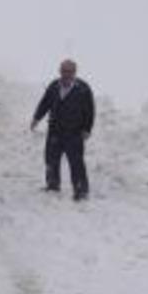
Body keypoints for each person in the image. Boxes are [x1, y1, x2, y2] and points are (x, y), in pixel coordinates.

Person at [30, 59, 96, 201]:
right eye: (63, 71)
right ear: (60, 71)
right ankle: (52, 184)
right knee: (51, 159)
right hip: (55, 130)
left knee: (76, 162)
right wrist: (36, 118)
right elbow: (45, 103)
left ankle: (81, 190)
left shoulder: (83, 89)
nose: (66, 74)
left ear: (74, 72)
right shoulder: (54, 86)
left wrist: (87, 129)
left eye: (69, 72)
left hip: (74, 132)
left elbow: (89, 110)